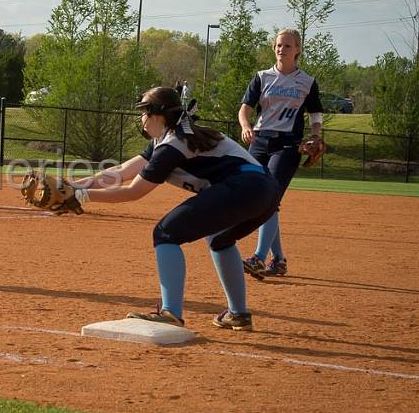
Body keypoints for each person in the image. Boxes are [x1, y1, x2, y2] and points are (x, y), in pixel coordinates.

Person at [73, 87, 278, 330]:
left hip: (243, 187)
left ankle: (171, 312)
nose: (141, 119)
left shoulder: (173, 145)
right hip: (266, 191)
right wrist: (72, 185)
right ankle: (238, 314)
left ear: (156, 115)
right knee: (219, 240)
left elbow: (133, 191)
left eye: (143, 112)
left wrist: (80, 197)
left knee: (166, 232)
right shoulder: (169, 139)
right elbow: (120, 173)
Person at [238, 28, 323, 279]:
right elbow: (245, 109)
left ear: (297, 50)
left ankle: (259, 258)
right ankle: (279, 261)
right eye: (278, 45)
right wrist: (245, 125)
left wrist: (316, 134)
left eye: (287, 46)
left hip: (288, 144)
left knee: (269, 198)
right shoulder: (262, 77)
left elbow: (315, 114)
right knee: (261, 199)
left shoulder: (307, 81)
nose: (280, 49)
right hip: (259, 141)